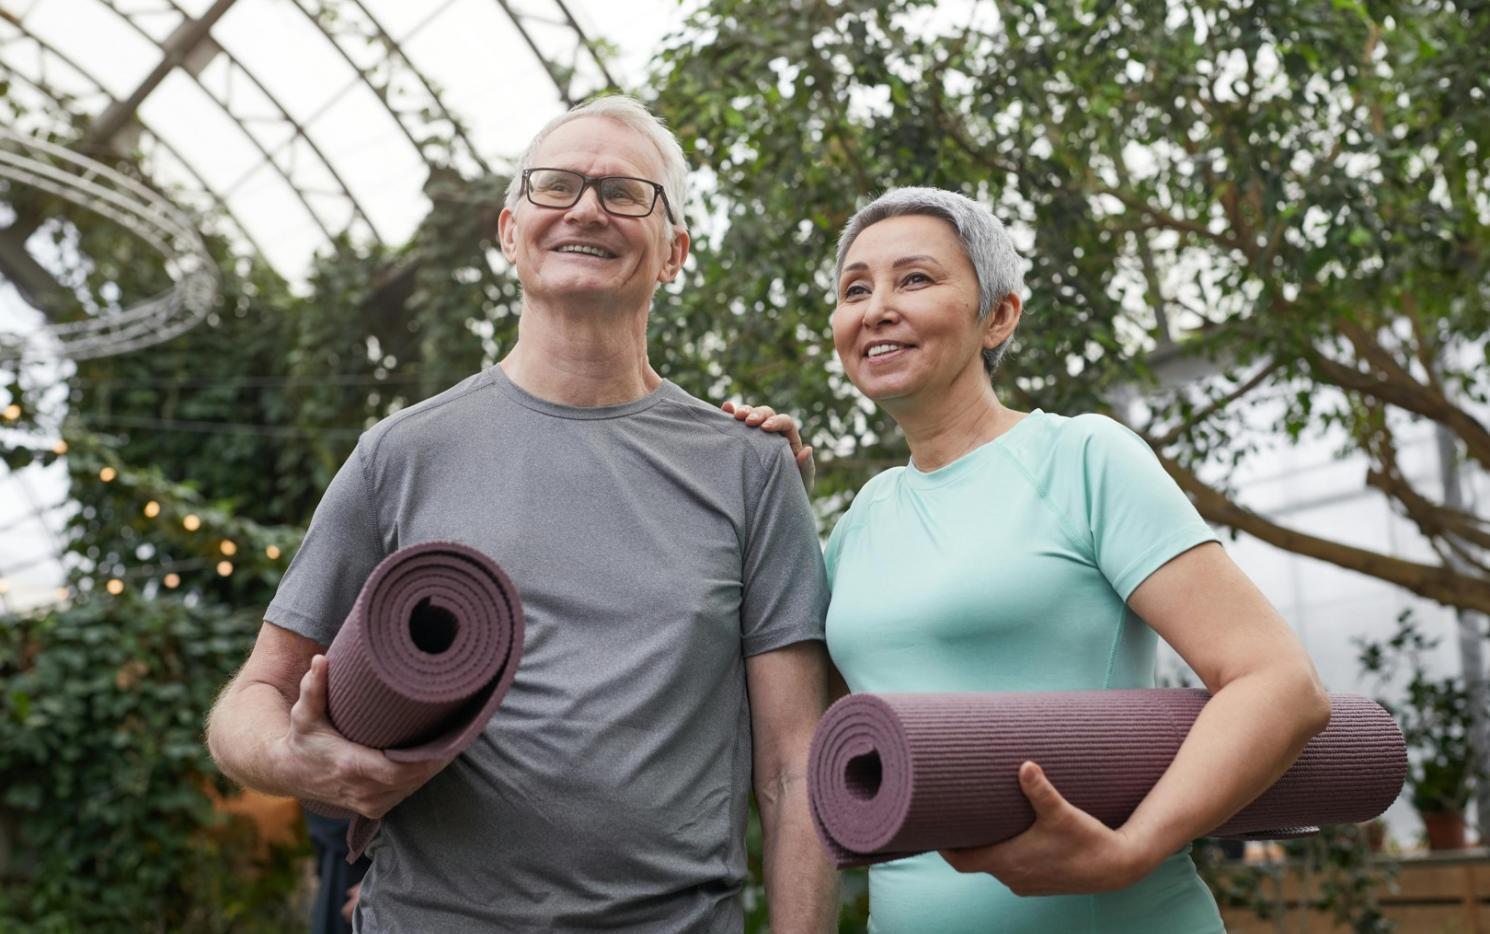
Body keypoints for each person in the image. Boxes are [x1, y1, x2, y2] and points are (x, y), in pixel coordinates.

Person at [205, 95, 838, 933]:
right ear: (510, 232)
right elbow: (250, 700)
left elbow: (795, 769)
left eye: (624, 193)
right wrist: (300, 759)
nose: (585, 208)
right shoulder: (401, 453)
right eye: (556, 186)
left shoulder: (751, 468)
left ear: (674, 253)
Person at [727, 186, 1331, 933]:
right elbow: (808, 740)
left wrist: (1132, 849)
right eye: (856, 288)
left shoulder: (1082, 457)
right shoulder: (860, 521)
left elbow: (1279, 683)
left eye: (914, 279)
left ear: (999, 315)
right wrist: (772, 504)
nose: (877, 307)